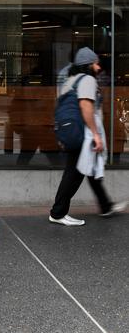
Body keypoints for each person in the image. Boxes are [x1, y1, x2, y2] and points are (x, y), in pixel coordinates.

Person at [49, 47, 127, 226]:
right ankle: (58, 213)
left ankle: (106, 206)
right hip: (81, 133)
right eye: (96, 63)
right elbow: (86, 107)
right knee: (74, 173)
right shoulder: (87, 80)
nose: (98, 67)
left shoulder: (71, 80)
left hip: (70, 130)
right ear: (88, 65)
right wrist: (95, 134)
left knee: (89, 169)